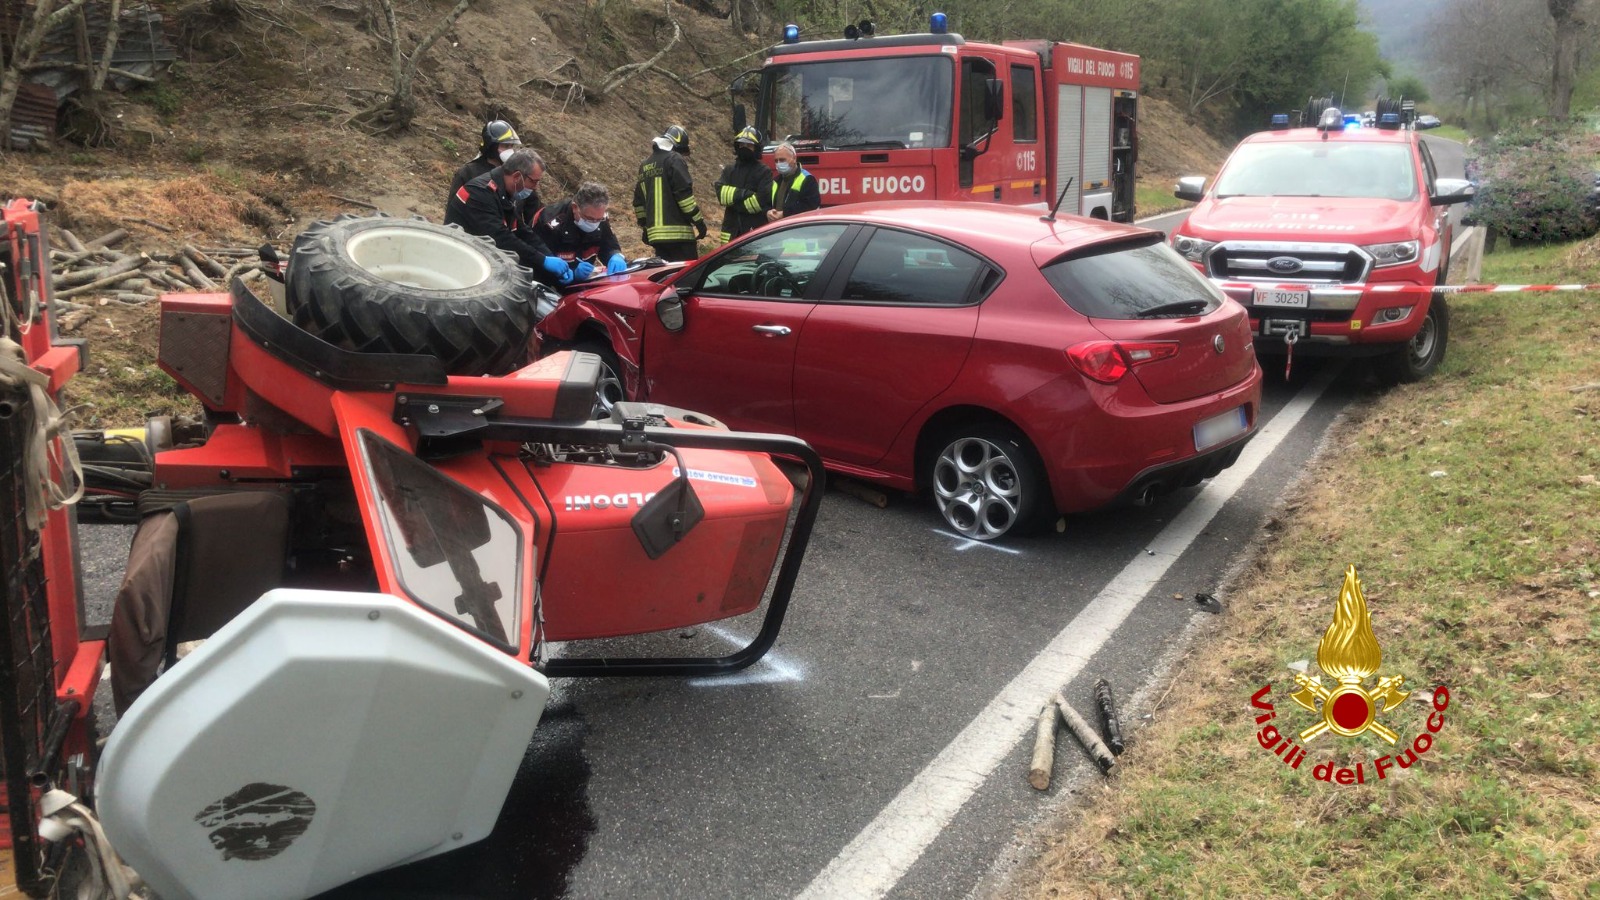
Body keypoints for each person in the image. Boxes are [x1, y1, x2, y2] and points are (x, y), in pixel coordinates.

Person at [444, 149, 575, 285]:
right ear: (517, 176)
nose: (535, 187)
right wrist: (542, 260)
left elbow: (521, 230)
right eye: (533, 182)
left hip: (476, 254)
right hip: (456, 259)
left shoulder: (506, 192)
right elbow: (501, 238)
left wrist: (549, 256)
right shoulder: (480, 193)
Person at [633, 125, 707, 262]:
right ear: (677, 146)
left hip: (656, 238)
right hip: (680, 236)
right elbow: (684, 198)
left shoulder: (645, 165)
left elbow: (638, 203)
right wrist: (699, 222)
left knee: (667, 279)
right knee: (687, 278)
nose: (682, 156)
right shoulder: (674, 159)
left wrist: (645, 226)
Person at [530, 181, 628, 281]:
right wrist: (572, 272)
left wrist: (614, 255)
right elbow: (536, 259)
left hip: (585, 283)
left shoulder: (600, 216)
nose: (594, 223)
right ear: (575, 208)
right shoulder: (549, 222)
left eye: (598, 219)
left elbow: (608, 243)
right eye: (589, 218)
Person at [713, 126, 774, 244]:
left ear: (756, 148)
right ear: (737, 146)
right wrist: (746, 193)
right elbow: (722, 195)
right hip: (731, 231)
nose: (744, 148)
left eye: (749, 146)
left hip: (754, 232)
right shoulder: (729, 170)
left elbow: (759, 202)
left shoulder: (764, 172)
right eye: (742, 145)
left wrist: (733, 203)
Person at [449, 120, 523, 198]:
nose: (510, 151)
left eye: (511, 146)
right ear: (492, 147)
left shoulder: (511, 174)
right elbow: (454, 206)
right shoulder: (468, 172)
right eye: (505, 146)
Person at [766, 141, 821, 222]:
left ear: (794, 158)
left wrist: (784, 214)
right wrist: (768, 212)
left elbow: (810, 206)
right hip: (779, 228)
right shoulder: (776, 181)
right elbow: (767, 203)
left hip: (798, 229)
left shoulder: (808, 179)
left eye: (782, 160)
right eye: (776, 161)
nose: (778, 163)